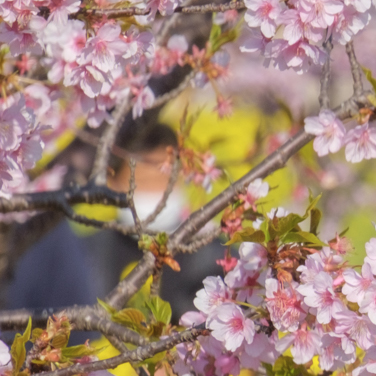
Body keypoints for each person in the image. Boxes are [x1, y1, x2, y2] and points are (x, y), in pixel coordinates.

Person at [7, 120, 222, 321]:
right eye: (142, 183)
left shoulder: (213, 256)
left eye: (167, 180)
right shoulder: (86, 254)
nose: (159, 192)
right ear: (112, 182)